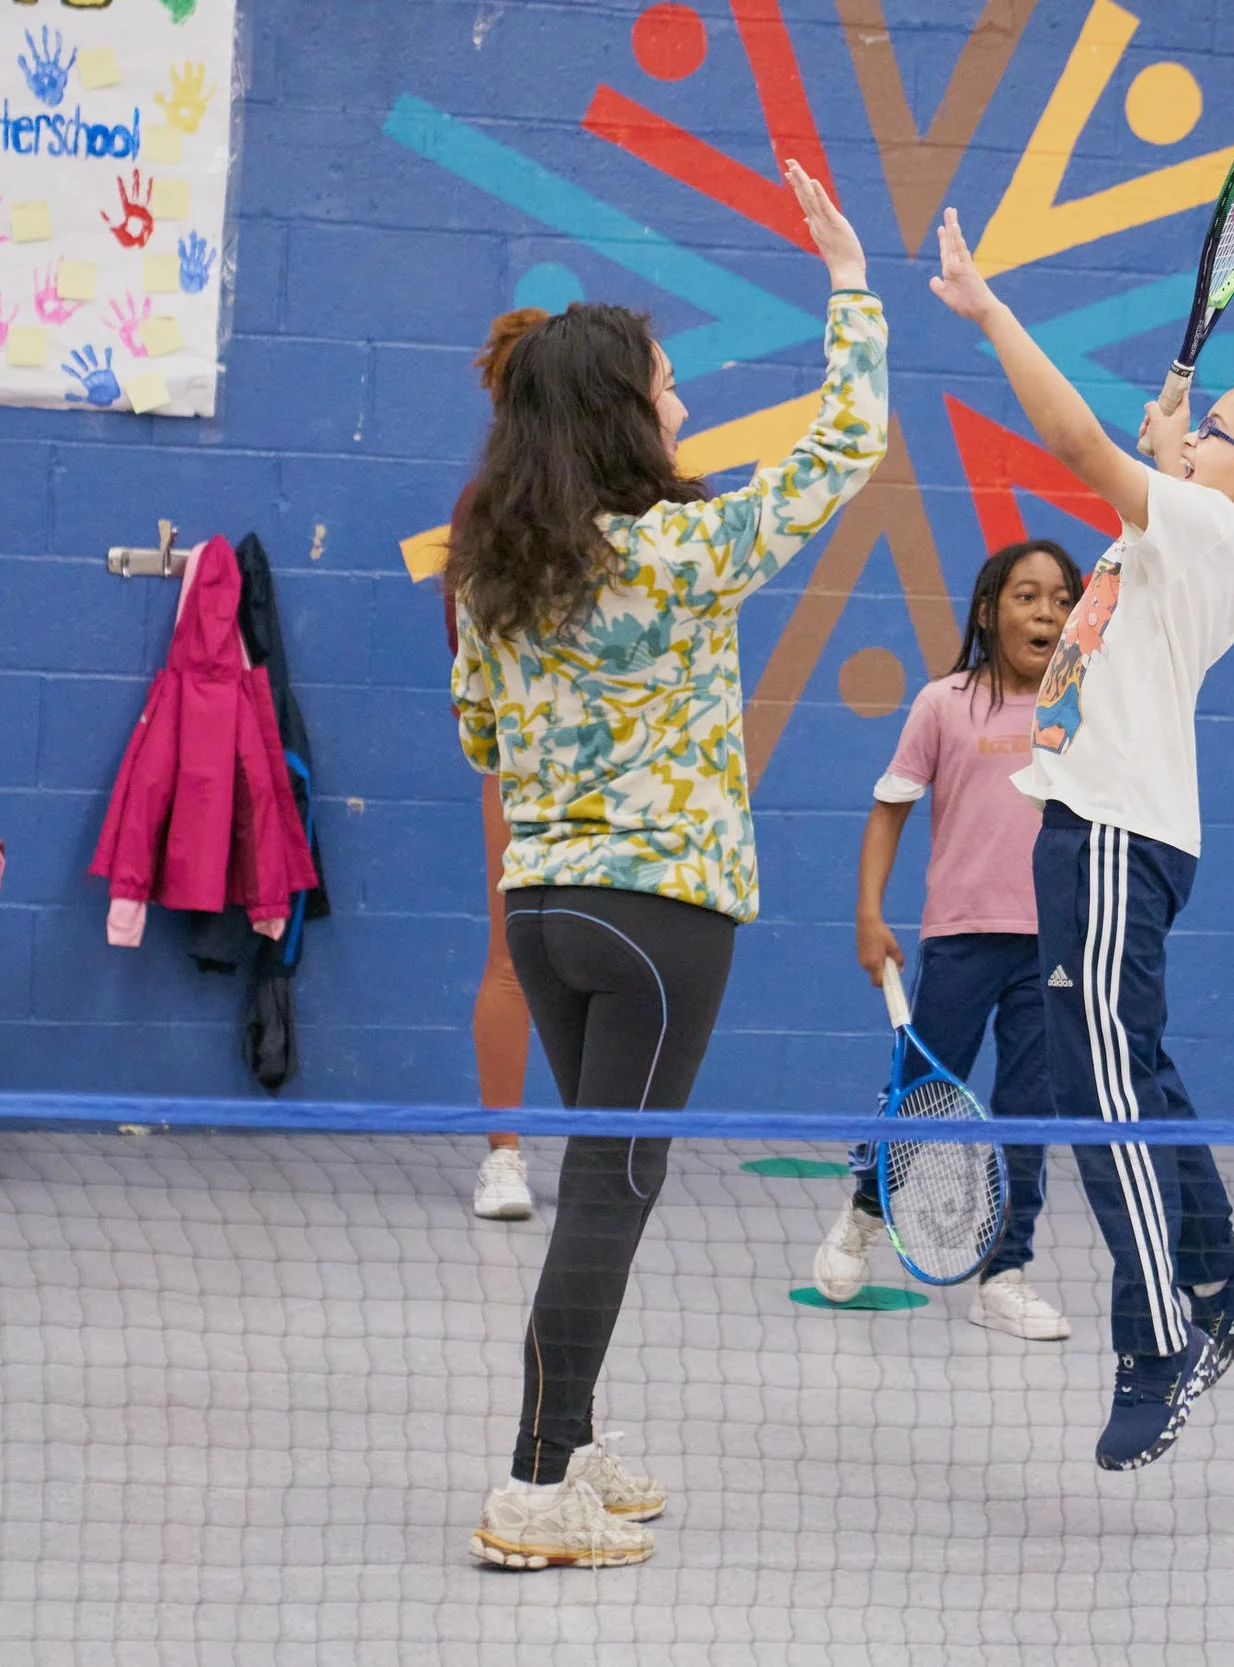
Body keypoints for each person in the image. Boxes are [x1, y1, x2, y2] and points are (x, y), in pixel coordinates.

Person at [451, 162, 885, 1570]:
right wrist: (850, 282)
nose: (682, 401)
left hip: (543, 911)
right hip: (660, 917)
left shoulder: (489, 571)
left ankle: (572, 1438)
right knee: (611, 1189)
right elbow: (845, 446)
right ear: (620, 412)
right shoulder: (682, 550)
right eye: (668, 383)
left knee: (603, 1177)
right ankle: (532, 1485)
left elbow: (477, 734)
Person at [929, 207, 1234, 1471]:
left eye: (1218, 430)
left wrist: (992, 312)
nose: (1193, 434)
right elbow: (1154, 486)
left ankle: (1160, 1334)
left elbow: (1073, 442)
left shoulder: (1211, 533)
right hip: (1097, 830)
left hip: (1114, 835)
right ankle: (1218, 1262)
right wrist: (1175, 447)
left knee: (1098, 1084)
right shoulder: (1197, 534)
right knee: (1130, 1065)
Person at [813, 540, 1086, 1338]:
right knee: (923, 1097)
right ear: (989, 611)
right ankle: (864, 1215)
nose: (1046, 611)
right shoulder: (943, 703)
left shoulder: (1085, 709)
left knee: (1028, 1112)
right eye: (1027, 596)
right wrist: (869, 915)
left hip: (1053, 949)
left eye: (1061, 598)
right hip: (962, 939)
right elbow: (888, 811)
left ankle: (1005, 1273)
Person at [450, 306, 548, 1223]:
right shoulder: (485, 510)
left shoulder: (641, 506)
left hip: (630, 776)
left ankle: (609, 1151)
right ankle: (505, 1157)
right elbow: (467, 661)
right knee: (513, 957)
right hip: (521, 769)